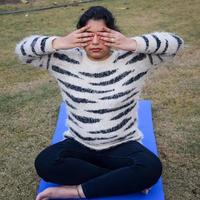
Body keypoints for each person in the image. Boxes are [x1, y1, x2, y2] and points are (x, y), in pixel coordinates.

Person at [15, 5, 184, 200]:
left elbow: (176, 44)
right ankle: (123, 180)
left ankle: (77, 191)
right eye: (87, 35)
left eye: (102, 35)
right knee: (45, 163)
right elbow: (23, 51)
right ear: (78, 36)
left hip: (121, 144)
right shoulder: (62, 60)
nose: (95, 42)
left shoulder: (136, 59)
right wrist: (59, 42)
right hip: (79, 143)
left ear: (114, 34)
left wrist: (132, 43)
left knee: (151, 168)